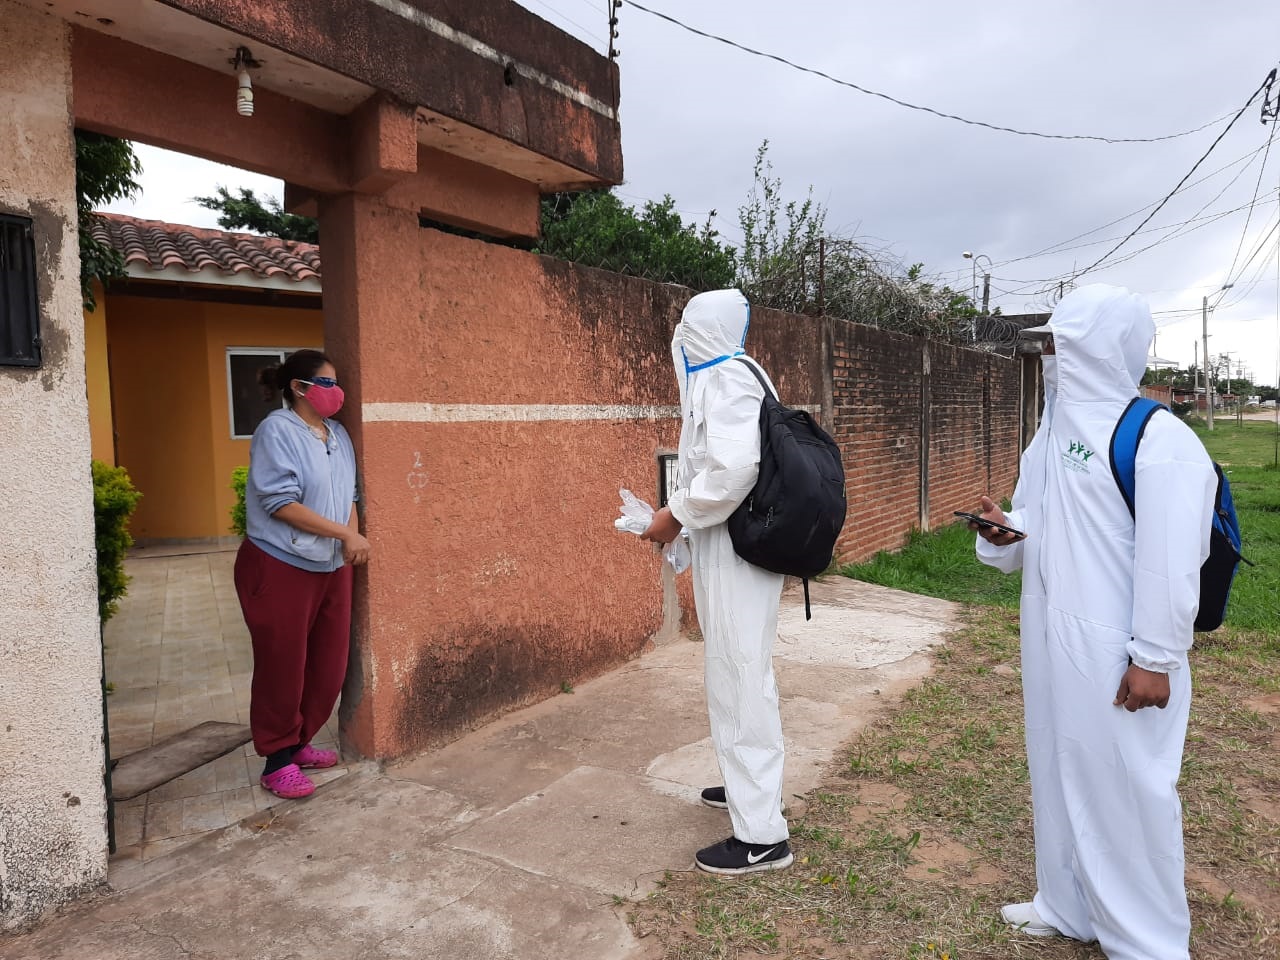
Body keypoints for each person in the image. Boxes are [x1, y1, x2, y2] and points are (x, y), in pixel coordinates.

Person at [969, 285, 1214, 958]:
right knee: (1057, 769)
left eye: (1067, 342)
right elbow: (1039, 524)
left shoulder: (1160, 438)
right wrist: (1004, 531)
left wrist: (1154, 658)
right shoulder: (1051, 433)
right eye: (1052, 342)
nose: (1054, 354)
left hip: (1118, 647)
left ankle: (1150, 944)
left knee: (1127, 794)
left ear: (1105, 347)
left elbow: (1172, 561)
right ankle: (1068, 904)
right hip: (1050, 634)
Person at [641, 288, 793, 875]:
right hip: (729, 547)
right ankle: (748, 789)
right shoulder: (728, 375)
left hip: (739, 554)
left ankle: (762, 837)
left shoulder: (727, 378)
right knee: (733, 670)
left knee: (742, 675)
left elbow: (733, 472)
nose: (679, 336)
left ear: (703, 330)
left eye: (688, 325)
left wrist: (674, 514)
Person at [235, 349, 370, 800]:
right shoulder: (277, 431)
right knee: (282, 665)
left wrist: (349, 536)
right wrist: (345, 535)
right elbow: (280, 502)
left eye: (336, 383)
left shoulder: (338, 434)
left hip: (331, 564)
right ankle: (276, 760)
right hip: (280, 563)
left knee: (329, 665)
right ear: (298, 388)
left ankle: (299, 742)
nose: (336, 392)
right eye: (327, 383)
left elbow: (350, 495)